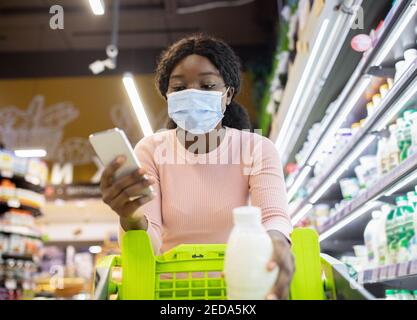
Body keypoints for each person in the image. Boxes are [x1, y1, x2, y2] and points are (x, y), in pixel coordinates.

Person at [100, 34, 294, 299]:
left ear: (227, 95)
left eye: (207, 85)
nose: (192, 93)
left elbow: (273, 217)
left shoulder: (256, 148)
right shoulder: (151, 150)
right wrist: (130, 217)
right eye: (179, 88)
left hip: (240, 286)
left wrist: (276, 242)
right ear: (167, 97)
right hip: (169, 292)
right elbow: (151, 239)